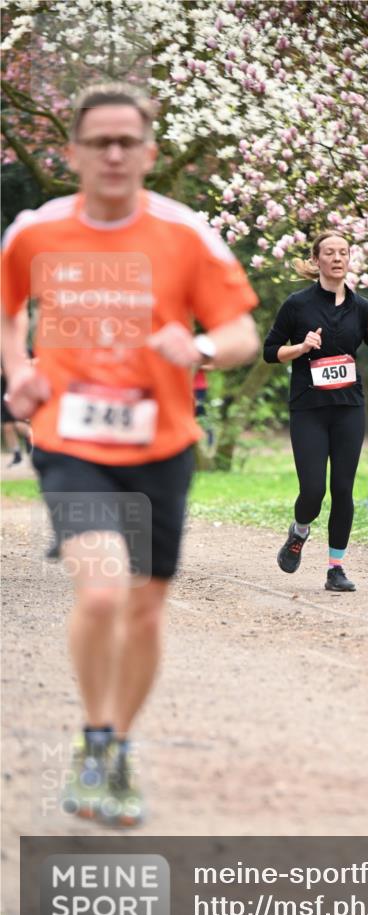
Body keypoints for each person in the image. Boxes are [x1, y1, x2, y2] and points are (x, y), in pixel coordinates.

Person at [1, 82, 259, 825]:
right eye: (98, 142)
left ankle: (116, 749)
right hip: (68, 438)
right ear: (73, 153)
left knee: (145, 609)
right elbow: (6, 305)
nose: (113, 154)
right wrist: (18, 371)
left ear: (148, 152)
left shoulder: (185, 235)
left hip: (160, 444)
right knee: (105, 588)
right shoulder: (35, 232)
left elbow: (242, 334)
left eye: (127, 142)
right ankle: (93, 739)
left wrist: (201, 345)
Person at [263, 231, 368, 592]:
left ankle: (336, 568)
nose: (337, 258)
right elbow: (270, 351)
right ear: (317, 259)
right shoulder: (297, 304)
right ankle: (299, 531)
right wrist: (301, 347)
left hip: (349, 408)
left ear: (349, 260)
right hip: (308, 408)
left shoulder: (362, 307)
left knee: (343, 489)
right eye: (330, 253)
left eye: (343, 253)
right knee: (313, 490)